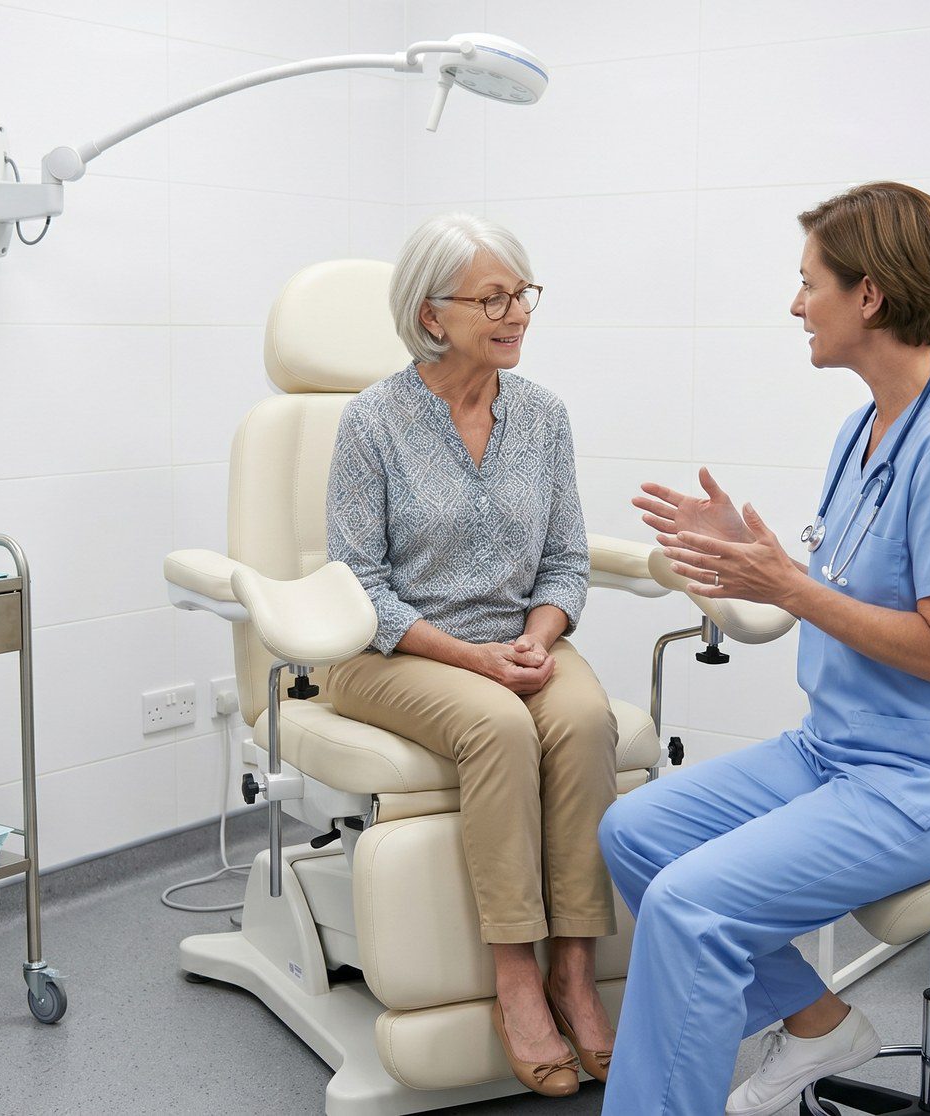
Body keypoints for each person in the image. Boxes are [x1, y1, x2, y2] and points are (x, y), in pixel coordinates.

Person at [598, 182, 930, 1116]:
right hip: (836, 748)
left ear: (869, 295)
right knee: (635, 831)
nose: (796, 305)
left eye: (809, 284)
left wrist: (788, 586)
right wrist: (749, 557)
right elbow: (845, 580)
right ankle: (816, 1025)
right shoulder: (865, 426)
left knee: (691, 905)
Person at [323, 213, 618, 1097]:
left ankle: (575, 962)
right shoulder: (372, 423)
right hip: (392, 648)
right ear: (431, 313)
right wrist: (475, 661)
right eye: (494, 297)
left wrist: (536, 636)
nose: (517, 312)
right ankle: (516, 978)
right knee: (499, 728)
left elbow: (567, 558)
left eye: (523, 293)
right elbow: (360, 587)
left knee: (585, 719)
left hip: (519, 645)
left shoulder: (543, 416)